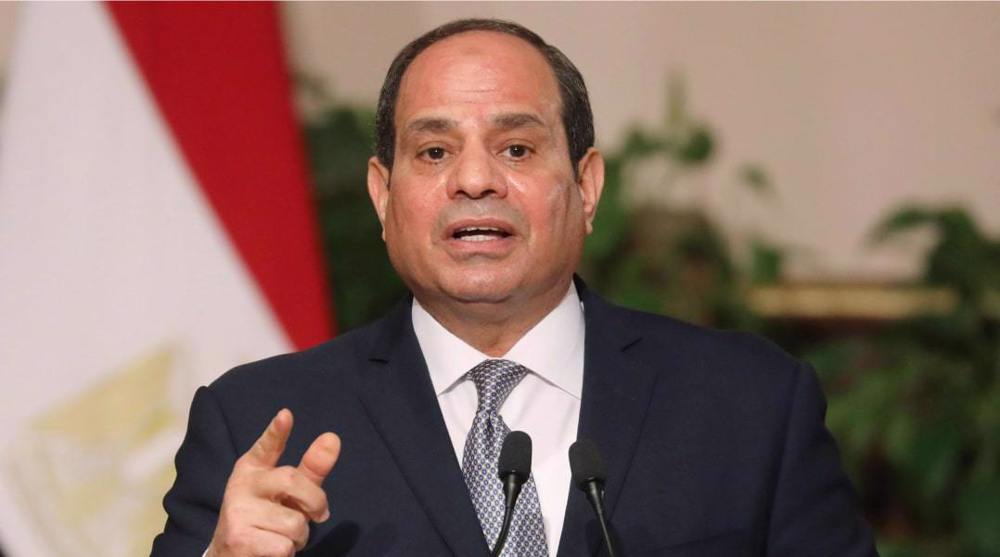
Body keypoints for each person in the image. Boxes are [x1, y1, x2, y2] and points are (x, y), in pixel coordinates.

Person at [151, 18, 878, 557]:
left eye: (517, 149)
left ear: (587, 186)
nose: (474, 180)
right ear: (382, 195)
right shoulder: (255, 426)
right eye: (434, 151)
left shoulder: (749, 405)